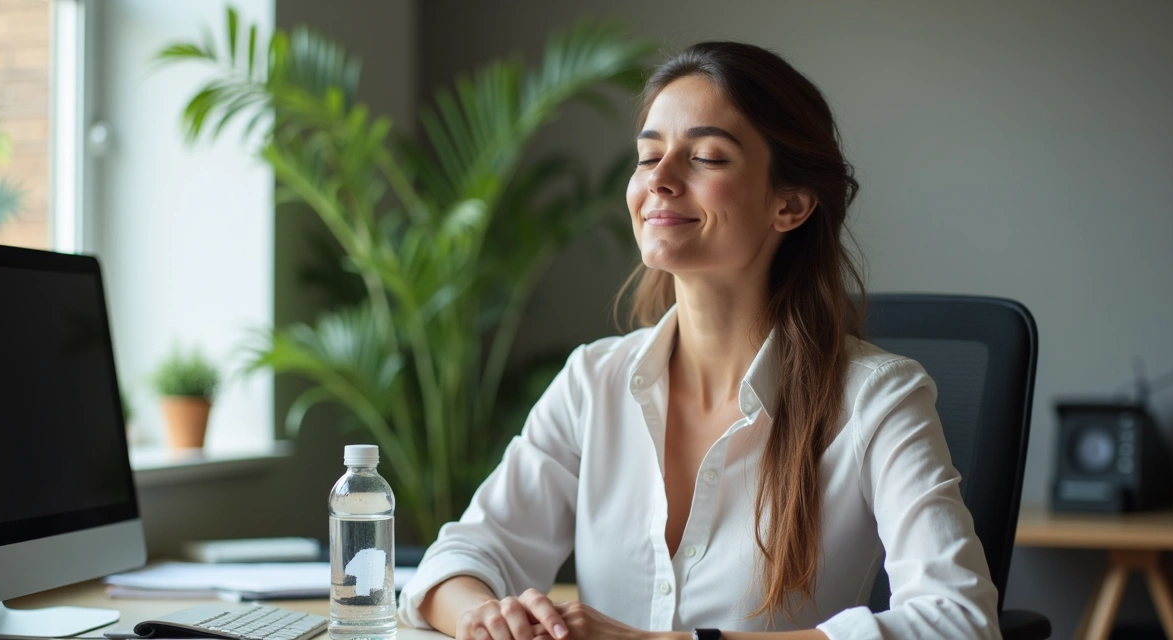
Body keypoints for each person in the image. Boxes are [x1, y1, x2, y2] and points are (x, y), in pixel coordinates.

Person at [396, 41, 1001, 640]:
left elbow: (960, 621)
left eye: (707, 157)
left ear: (790, 204)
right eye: (647, 156)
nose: (659, 180)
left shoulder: (877, 399)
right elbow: (459, 561)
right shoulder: (593, 381)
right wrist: (482, 616)